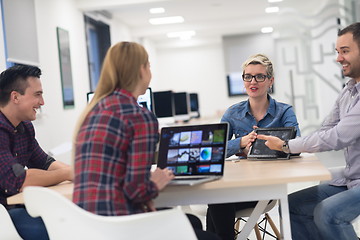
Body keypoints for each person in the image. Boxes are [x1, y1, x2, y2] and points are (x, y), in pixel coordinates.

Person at [72, 41, 220, 240]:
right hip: (122, 227)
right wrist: (154, 183)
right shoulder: (139, 116)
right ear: (141, 70)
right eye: (149, 65)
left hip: (86, 226)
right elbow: (136, 191)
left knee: (190, 222)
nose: (150, 71)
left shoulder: (92, 111)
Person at [257, 22, 360, 240]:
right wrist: (291, 147)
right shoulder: (349, 90)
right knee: (292, 206)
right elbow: (328, 128)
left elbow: (338, 136)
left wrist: (286, 146)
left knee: (328, 213)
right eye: (337, 52)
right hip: (353, 177)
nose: (338, 58)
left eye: (345, 51)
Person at [206, 54, 300, 240]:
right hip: (238, 184)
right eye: (247, 76)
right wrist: (240, 143)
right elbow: (212, 150)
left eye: (260, 76)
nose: (253, 81)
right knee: (217, 202)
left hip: (267, 187)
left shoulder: (284, 111)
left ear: (270, 80)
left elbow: (296, 145)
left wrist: (261, 148)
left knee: (216, 205)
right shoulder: (233, 113)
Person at [0, 65, 73, 240]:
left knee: (69, 218)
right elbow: (17, 180)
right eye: (37, 94)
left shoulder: (24, 127)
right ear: (15, 97)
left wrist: (81, 173)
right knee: (58, 230)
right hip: (3, 213)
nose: (42, 102)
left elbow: (45, 163)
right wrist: (70, 172)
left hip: (17, 206)